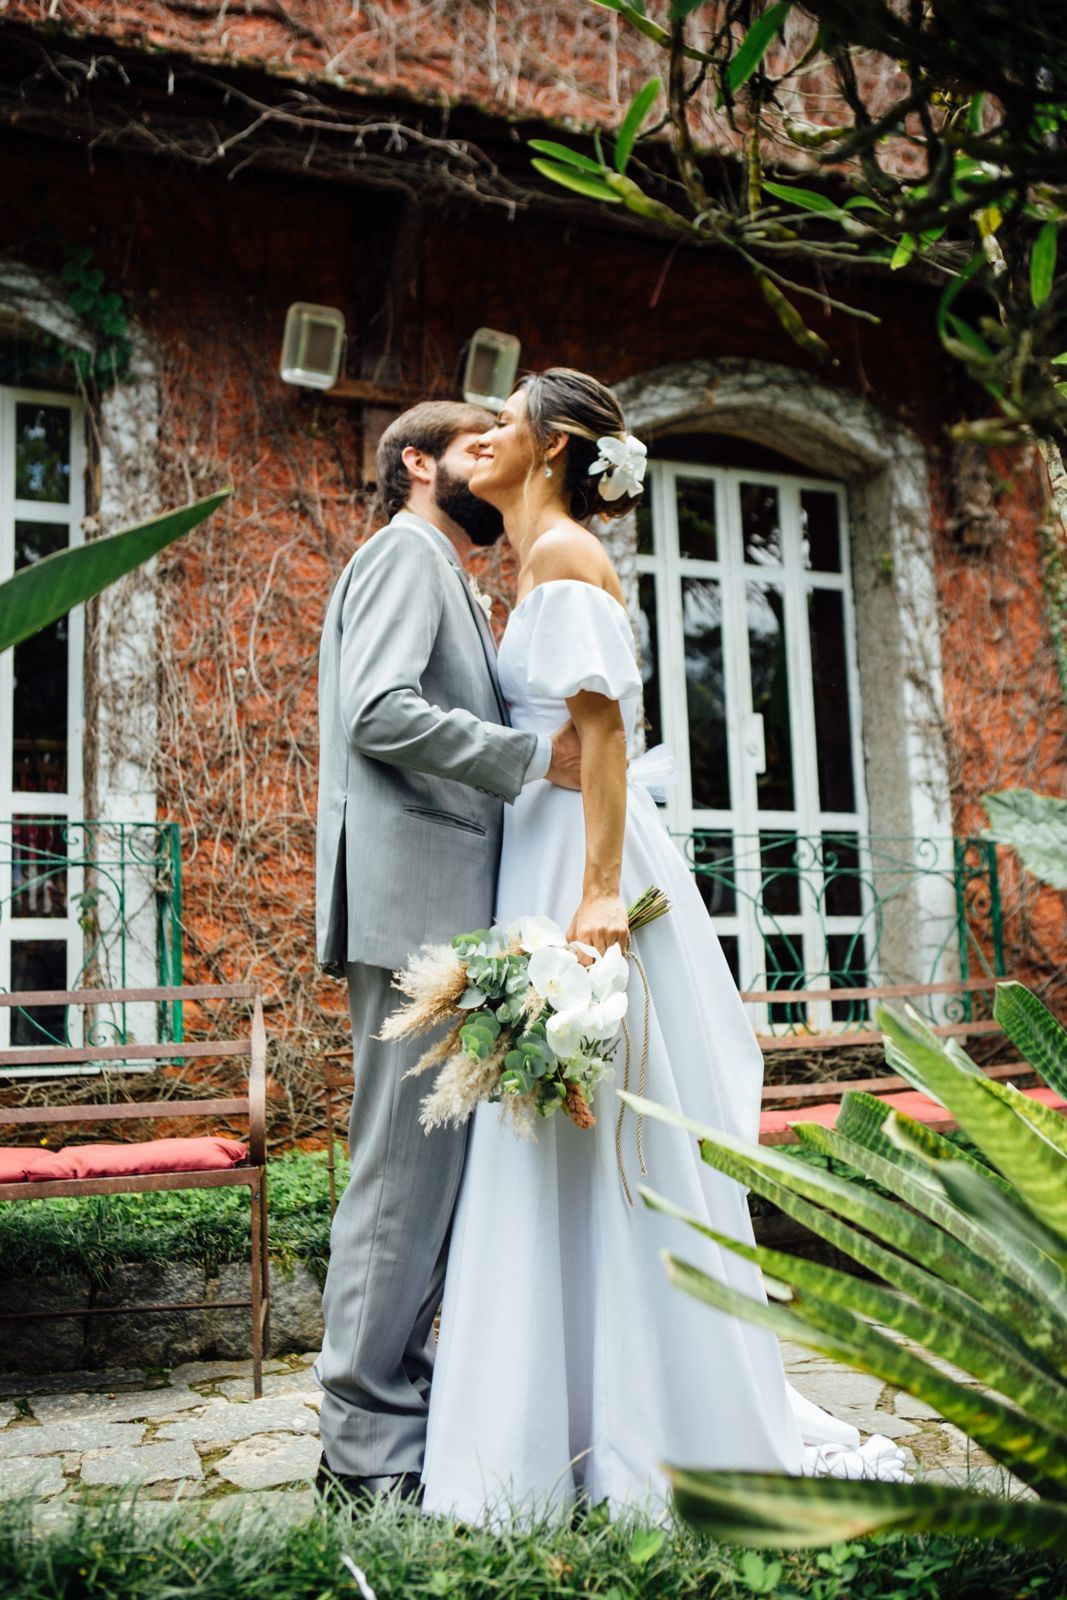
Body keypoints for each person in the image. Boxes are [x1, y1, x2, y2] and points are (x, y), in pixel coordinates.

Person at [419, 369, 907, 1523]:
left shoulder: (562, 560)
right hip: (540, 850)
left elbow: (602, 733)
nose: (482, 435)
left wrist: (596, 897)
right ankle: (568, 1421)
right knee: (556, 1132)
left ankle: (635, 1424)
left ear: (550, 448)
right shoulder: (534, 561)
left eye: (504, 421)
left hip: (577, 865)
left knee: (598, 1131)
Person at [313, 400, 582, 1502]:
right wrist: (531, 758)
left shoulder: (451, 574)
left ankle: (402, 1424)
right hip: (410, 909)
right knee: (396, 1185)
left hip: (447, 916)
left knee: (427, 1192)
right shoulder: (403, 555)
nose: (496, 456)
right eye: (476, 444)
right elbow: (376, 711)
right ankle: (359, 1455)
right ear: (418, 464)